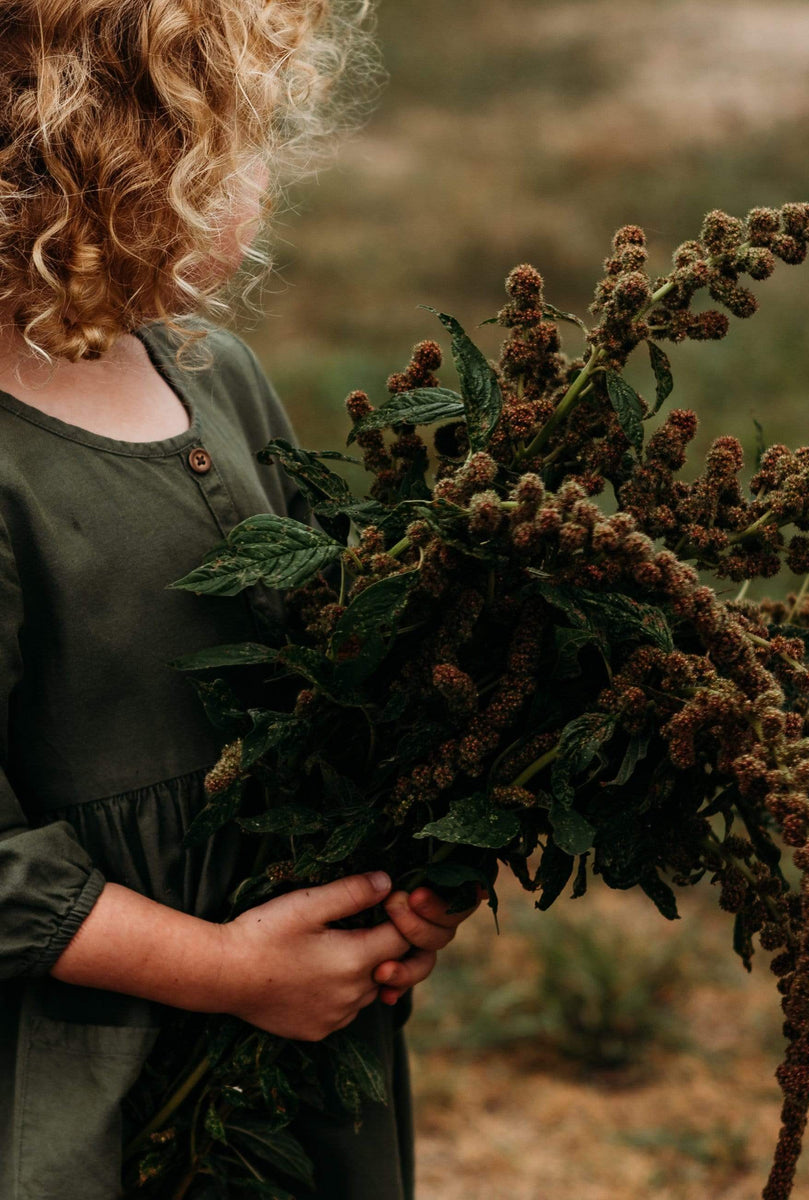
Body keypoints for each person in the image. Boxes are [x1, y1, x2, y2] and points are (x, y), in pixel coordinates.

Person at [0, 3, 473, 1196]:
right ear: (113, 166)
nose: (265, 177)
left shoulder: (215, 374)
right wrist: (227, 971)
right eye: (241, 140)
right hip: (77, 1065)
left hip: (292, 1032)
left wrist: (411, 884)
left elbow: (333, 670)